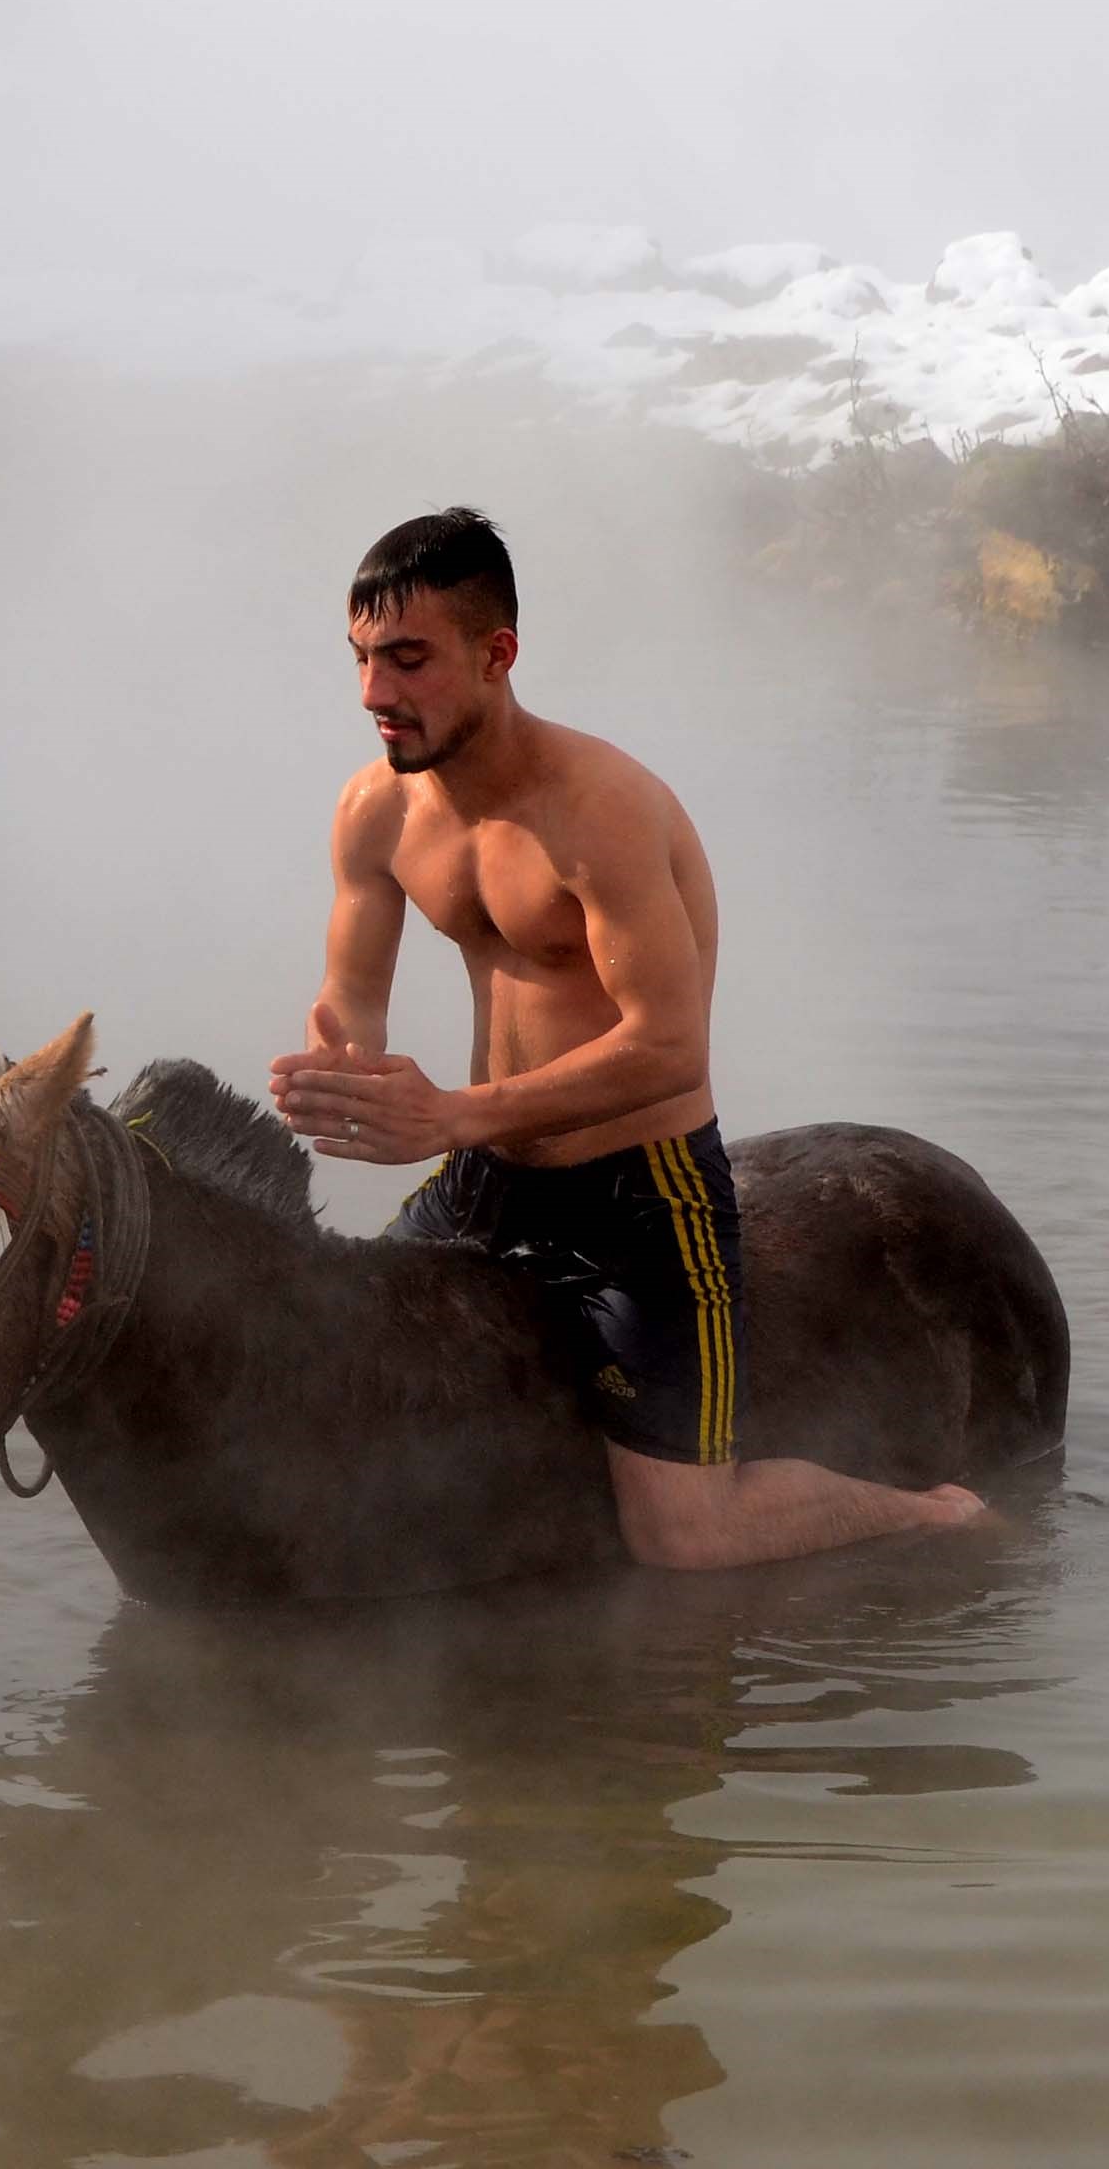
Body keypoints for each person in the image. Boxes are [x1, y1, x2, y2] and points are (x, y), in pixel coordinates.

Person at [269, 509, 981, 1568]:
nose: (375, 693)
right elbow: (350, 990)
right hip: (484, 1184)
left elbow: (668, 1047)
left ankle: (941, 1516)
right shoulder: (374, 810)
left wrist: (451, 1112)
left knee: (685, 1537)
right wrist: (338, 1062)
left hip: (638, 1196)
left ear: (494, 653)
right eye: (362, 660)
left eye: (408, 660)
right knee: (319, 1383)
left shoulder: (598, 810)